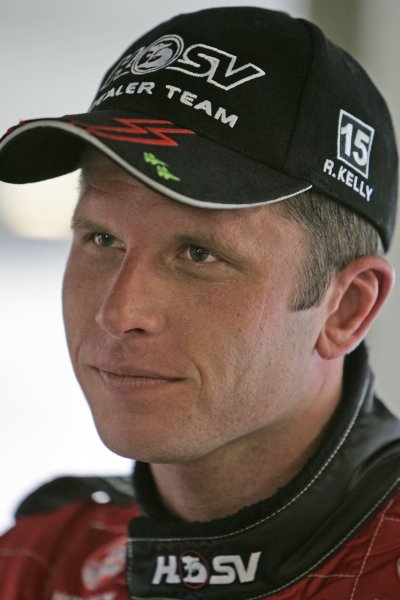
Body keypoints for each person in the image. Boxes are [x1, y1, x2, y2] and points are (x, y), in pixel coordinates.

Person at [0, 6, 399, 599]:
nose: (118, 314)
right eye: (102, 239)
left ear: (345, 310)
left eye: (198, 254)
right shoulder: (40, 557)